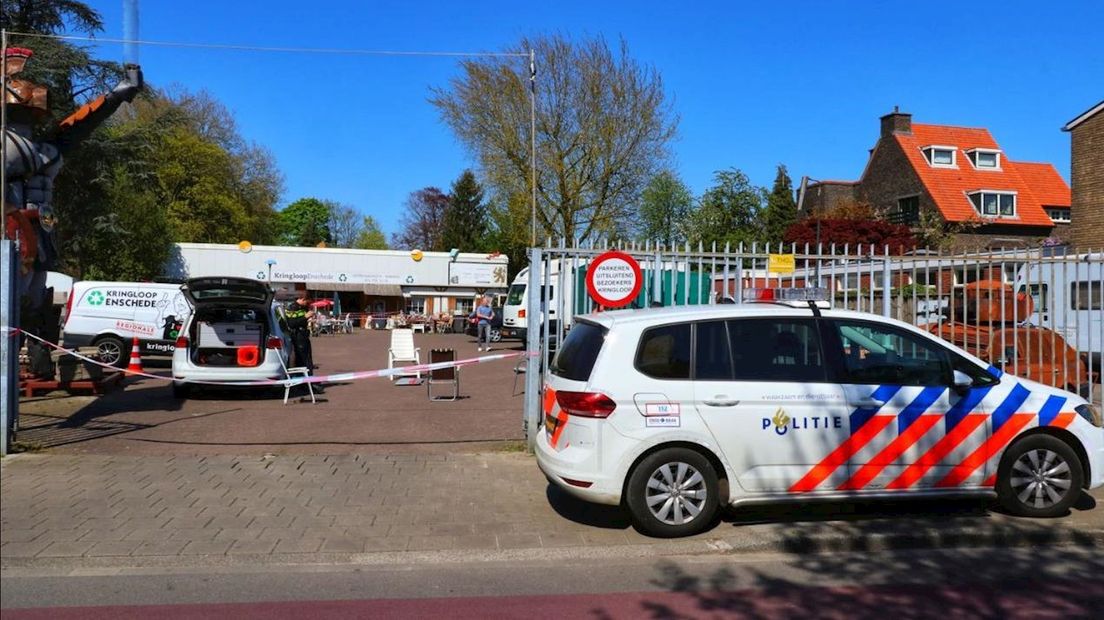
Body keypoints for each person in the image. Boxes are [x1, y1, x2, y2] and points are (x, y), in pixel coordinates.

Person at [283, 292, 318, 376]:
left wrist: (308, 320)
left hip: (303, 335)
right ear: (303, 299)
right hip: (298, 337)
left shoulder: (302, 307)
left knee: (307, 359)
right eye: (307, 302)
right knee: (302, 360)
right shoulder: (292, 308)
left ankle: (309, 380)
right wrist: (305, 317)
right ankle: (304, 382)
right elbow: (291, 323)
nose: (308, 304)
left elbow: (300, 320)